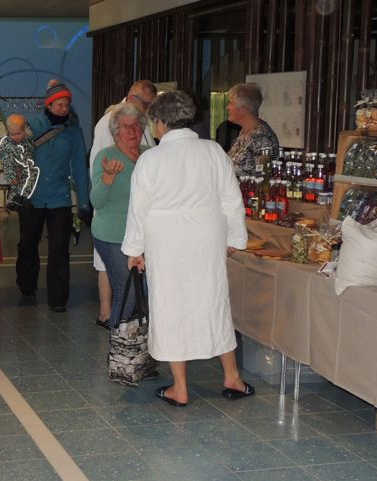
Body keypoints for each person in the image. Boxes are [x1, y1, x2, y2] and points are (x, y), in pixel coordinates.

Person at [122, 90, 254, 407]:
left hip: (165, 239)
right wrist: (236, 239)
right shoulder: (213, 151)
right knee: (214, 301)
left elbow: (138, 208)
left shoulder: (151, 159)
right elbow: (231, 199)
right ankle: (233, 377)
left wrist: (134, 249)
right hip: (208, 236)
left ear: (161, 122)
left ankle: (179, 387)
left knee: (170, 307)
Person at [88, 80, 157, 329]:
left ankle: (136, 357)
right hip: (113, 234)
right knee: (126, 293)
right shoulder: (106, 157)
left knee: (142, 297)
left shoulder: (150, 154)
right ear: (116, 131)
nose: (133, 131)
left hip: (144, 236)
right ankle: (119, 357)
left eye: (137, 126)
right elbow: (96, 200)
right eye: (126, 127)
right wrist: (108, 178)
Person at [18, 80, 90, 313]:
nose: (62, 108)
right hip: (32, 196)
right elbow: (17, 155)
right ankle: (27, 288)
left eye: (66, 104)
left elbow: (79, 166)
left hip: (60, 197)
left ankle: (58, 298)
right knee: (28, 244)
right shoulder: (32, 126)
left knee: (59, 247)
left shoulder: (74, 132)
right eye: (58, 104)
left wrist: (85, 201)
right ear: (48, 104)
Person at [226, 82, 280, 177]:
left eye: (231, 103)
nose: (227, 107)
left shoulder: (262, 137)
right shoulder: (244, 133)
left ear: (243, 109)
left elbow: (263, 178)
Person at [0, 114, 36, 210]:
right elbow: (6, 163)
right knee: (17, 184)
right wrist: (11, 176)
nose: (15, 137)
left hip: (25, 164)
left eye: (18, 134)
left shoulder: (27, 140)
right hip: (14, 168)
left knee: (29, 177)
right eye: (12, 134)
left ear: (24, 131)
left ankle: (21, 198)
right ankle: (15, 200)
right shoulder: (8, 145)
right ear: (8, 132)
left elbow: (30, 147)